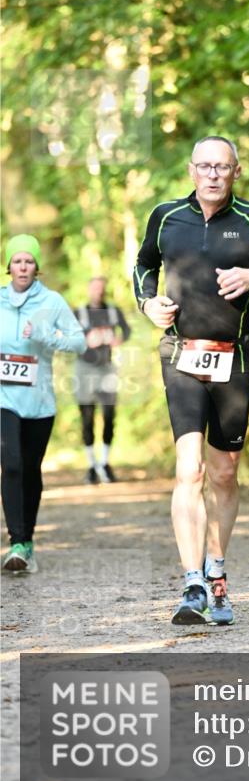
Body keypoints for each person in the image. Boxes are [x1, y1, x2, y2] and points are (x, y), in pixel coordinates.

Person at [134, 135, 249, 625]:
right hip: (180, 354)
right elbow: (144, 265)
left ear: (236, 172)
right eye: (204, 166)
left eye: (222, 167)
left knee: (223, 473)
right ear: (191, 170)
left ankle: (217, 570)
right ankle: (192, 583)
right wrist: (147, 303)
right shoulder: (164, 217)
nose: (213, 174)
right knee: (190, 471)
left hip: (234, 360)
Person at [1, 234, 86, 573]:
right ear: (8, 266)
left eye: (29, 261)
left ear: (37, 267)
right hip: (3, 398)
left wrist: (46, 337)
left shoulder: (51, 302)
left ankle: (28, 542)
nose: (23, 266)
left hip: (39, 401)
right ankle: (16, 543)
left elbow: (78, 342)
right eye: (17, 260)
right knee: (12, 463)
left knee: (31, 470)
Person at [74, 276, 131, 484]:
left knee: (109, 415)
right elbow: (67, 336)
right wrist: (85, 340)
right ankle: (91, 465)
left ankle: (105, 462)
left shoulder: (113, 311)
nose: (98, 292)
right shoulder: (79, 312)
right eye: (95, 288)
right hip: (85, 369)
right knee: (87, 417)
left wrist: (119, 339)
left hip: (107, 369)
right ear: (89, 290)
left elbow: (127, 330)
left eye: (101, 288)